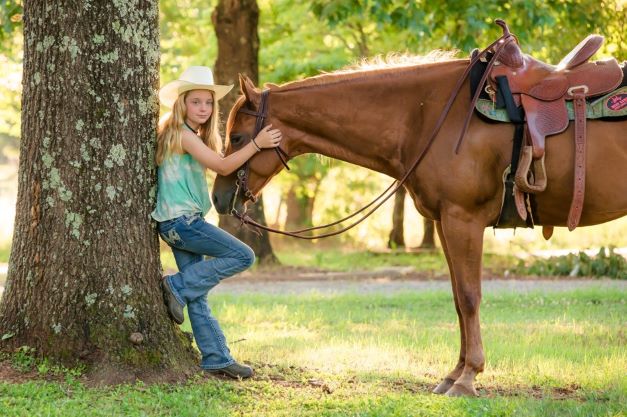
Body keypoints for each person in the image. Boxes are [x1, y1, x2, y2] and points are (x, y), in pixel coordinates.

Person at [151, 66, 282, 379]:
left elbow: (222, 164)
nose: (203, 108)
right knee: (243, 255)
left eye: (208, 103)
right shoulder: (181, 135)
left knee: (198, 291)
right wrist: (257, 143)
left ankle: (215, 357)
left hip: (180, 223)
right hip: (182, 224)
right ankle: (175, 286)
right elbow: (223, 164)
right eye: (196, 102)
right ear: (182, 103)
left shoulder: (189, 136)